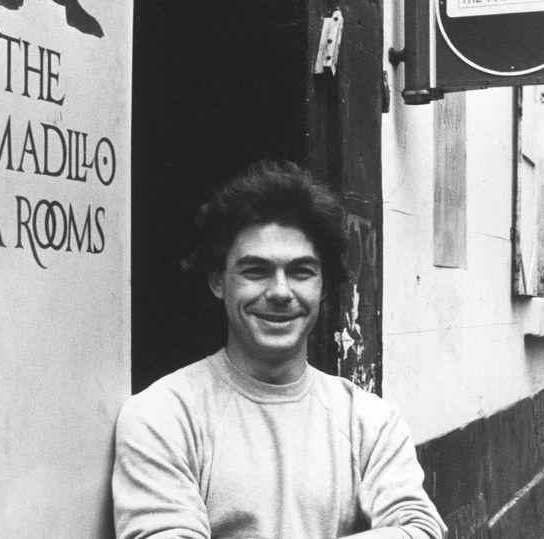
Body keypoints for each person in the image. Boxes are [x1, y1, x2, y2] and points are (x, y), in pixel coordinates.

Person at [113, 160, 446, 538]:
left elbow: (420, 529)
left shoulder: (370, 422)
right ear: (218, 281)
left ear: (323, 286)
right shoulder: (163, 416)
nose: (281, 292)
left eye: (301, 271)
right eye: (255, 271)